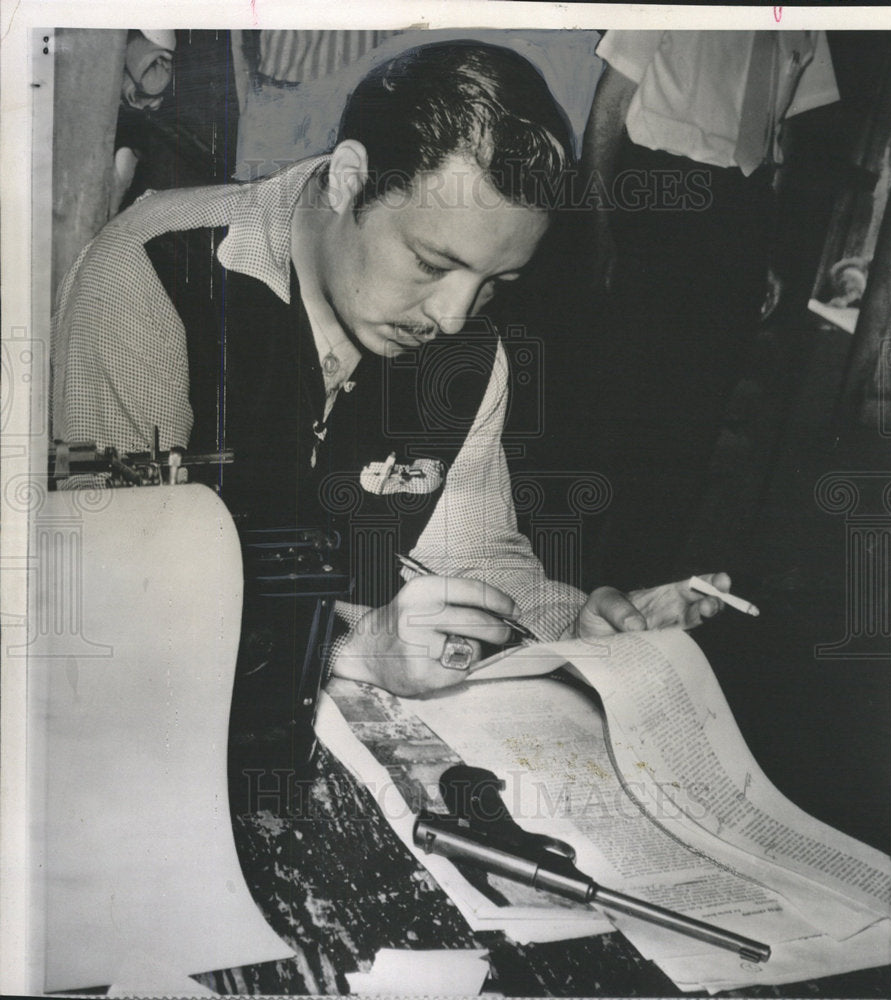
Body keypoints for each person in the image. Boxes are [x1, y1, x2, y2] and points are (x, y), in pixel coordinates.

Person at [51, 40, 729, 698]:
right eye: (432, 264)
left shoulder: (466, 351)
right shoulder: (155, 274)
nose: (456, 316)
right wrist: (348, 651)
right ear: (350, 178)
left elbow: (475, 553)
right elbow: (114, 593)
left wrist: (574, 629)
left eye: (497, 281)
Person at [579, 30, 839, 585]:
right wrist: (596, 223)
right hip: (658, 193)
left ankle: (639, 594)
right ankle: (560, 587)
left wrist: (763, 251)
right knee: (615, 406)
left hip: (740, 211)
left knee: (692, 425)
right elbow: (609, 106)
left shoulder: (806, 20)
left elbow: (782, 133)